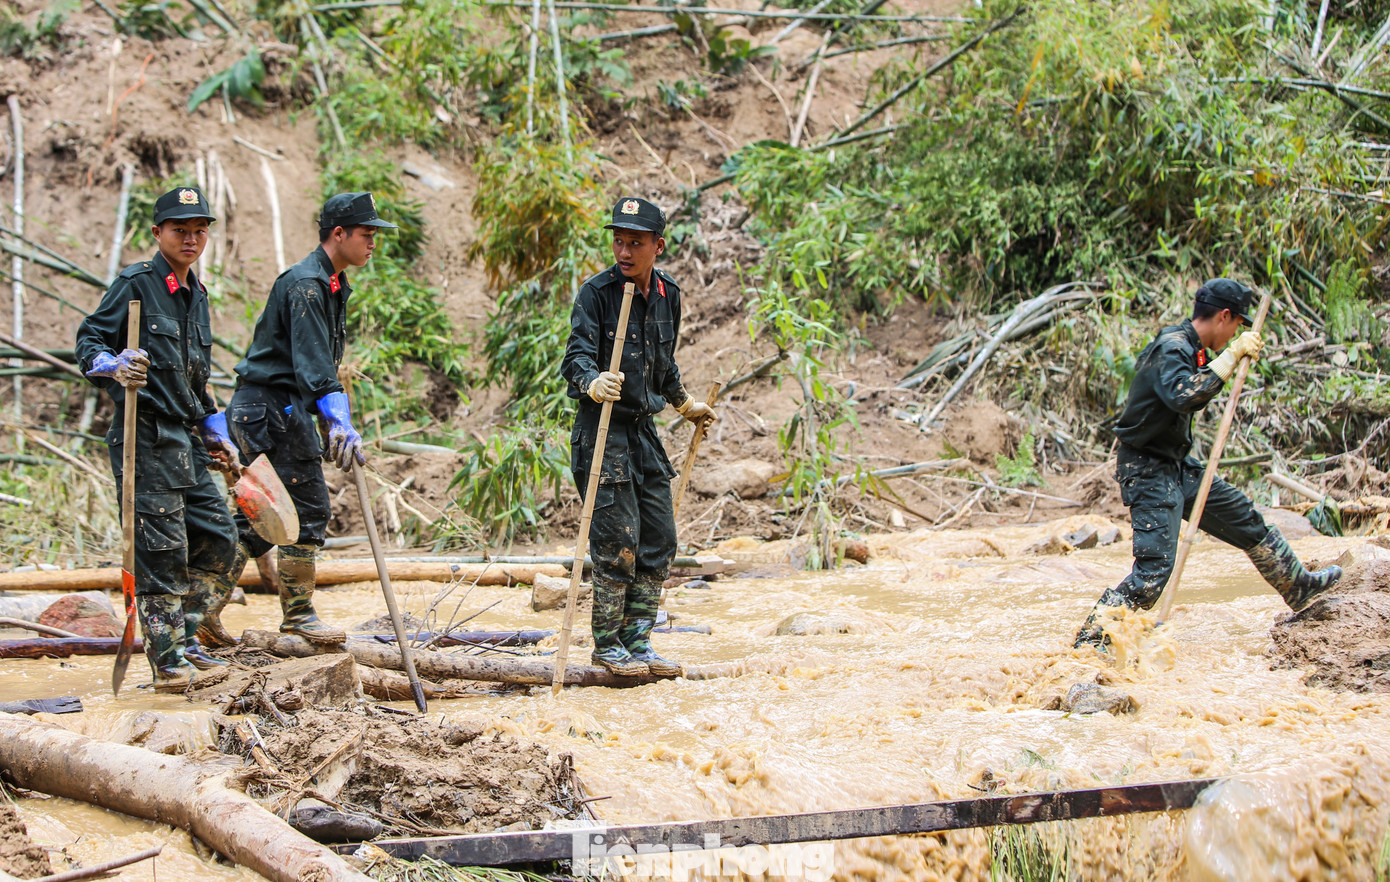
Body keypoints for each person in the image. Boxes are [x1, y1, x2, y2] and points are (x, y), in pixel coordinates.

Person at [1074, 278, 1342, 648]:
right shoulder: (1172, 347)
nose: (1235, 334)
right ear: (1225, 316)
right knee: (1154, 571)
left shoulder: (1192, 348)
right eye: (1236, 326)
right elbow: (1183, 394)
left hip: (1178, 465)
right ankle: (1091, 643)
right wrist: (1230, 358)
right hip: (1147, 470)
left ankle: (1299, 587)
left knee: (1246, 520)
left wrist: (1224, 358)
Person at [199, 193, 395, 646]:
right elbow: (316, 370)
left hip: (274, 408)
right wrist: (340, 420)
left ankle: (200, 609)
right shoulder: (307, 285)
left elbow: (313, 371)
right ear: (339, 234)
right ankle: (299, 617)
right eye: (367, 235)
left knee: (259, 518)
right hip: (272, 410)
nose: (372, 244)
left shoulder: (328, 283)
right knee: (305, 511)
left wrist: (329, 419)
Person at [75, 186, 239, 690]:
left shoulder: (198, 295)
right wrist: (113, 364)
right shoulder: (137, 284)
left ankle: (187, 637)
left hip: (185, 437)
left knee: (220, 538)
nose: (191, 239)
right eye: (179, 230)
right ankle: (166, 661)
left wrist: (217, 430)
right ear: (158, 233)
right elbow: (89, 340)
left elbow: (195, 380)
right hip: (143, 437)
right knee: (162, 552)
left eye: (199, 230)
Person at [560, 196, 716, 676]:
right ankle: (607, 646)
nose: (624, 251)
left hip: (642, 432)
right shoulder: (597, 293)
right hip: (601, 431)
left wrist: (685, 403)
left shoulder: (669, 294)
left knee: (659, 538)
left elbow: (662, 366)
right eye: (619, 241)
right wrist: (591, 382)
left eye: (635, 243)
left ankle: (638, 641)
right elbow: (575, 358)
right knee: (616, 544)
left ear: (658, 247)